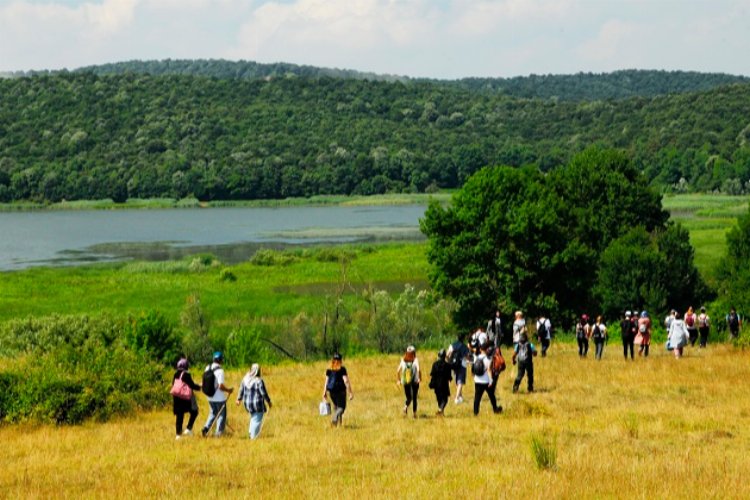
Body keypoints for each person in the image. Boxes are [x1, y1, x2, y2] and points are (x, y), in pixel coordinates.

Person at [201, 351, 233, 437]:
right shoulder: (220, 371)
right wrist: (228, 390)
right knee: (221, 415)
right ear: (220, 360)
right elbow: (221, 386)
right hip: (219, 398)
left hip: (209, 397)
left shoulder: (207, 367)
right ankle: (218, 433)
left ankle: (206, 428)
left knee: (212, 413)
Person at [236, 363, 272, 439]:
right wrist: (269, 402)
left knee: (253, 417)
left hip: (247, 404)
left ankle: (250, 432)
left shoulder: (245, 378)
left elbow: (241, 389)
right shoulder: (258, 381)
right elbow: (263, 393)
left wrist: (239, 399)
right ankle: (253, 437)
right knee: (257, 420)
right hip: (257, 404)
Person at [172, 358, 202, 440]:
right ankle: (188, 428)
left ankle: (178, 435)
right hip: (184, 398)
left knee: (179, 415)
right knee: (194, 411)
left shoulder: (175, 374)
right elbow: (192, 385)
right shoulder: (186, 374)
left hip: (176, 397)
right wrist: (200, 387)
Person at [323, 353, 353, 427]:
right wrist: (350, 392)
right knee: (342, 407)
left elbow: (326, 382)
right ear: (340, 360)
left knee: (336, 407)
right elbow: (345, 381)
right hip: (340, 391)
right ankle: (334, 418)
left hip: (331, 391)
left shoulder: (329, 370)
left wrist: (324, 392)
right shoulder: (342, 369)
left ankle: (338, 425)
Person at [471, 343, 501, 415]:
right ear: (487, 349)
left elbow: (473, 369)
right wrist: (491, 380)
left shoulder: (476, 357)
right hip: (486, 381)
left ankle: (475, 413)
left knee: (477, 398)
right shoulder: (488, 359)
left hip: (477, 381)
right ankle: (495, 409)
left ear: (481, 349)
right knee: (492, 396)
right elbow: (489, 370)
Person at [397, 345, 421, 418]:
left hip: (406, 380)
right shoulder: (415, 360)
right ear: (414, 353)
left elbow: (397, 371)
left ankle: (405, 406)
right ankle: (414, 414)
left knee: (409, 397)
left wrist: (398, 380)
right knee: (414, 397)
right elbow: (419, 370)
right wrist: (420, 378)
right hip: (415, 380)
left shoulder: (403, 360)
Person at [447, 333, 470, 404]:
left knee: (457, 381)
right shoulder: (464, 347)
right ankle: (456, 398)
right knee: (460, 382)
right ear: (463, 339)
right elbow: (467, 357)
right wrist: (469, 361)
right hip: (462, 365)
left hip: (453, 365)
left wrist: (449, 361)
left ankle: (460, 396)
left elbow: (447, 354)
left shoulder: (452, 345)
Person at [428, 349, 452, 416]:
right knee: (445, 399)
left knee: (439, 398)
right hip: (444, 384)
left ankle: (441, 412)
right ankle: (440, 410)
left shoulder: (435, 364)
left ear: (439, 355)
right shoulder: (448, 365)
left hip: (436, 384)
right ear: (444, 356)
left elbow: (432, 374)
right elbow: (449, 376)